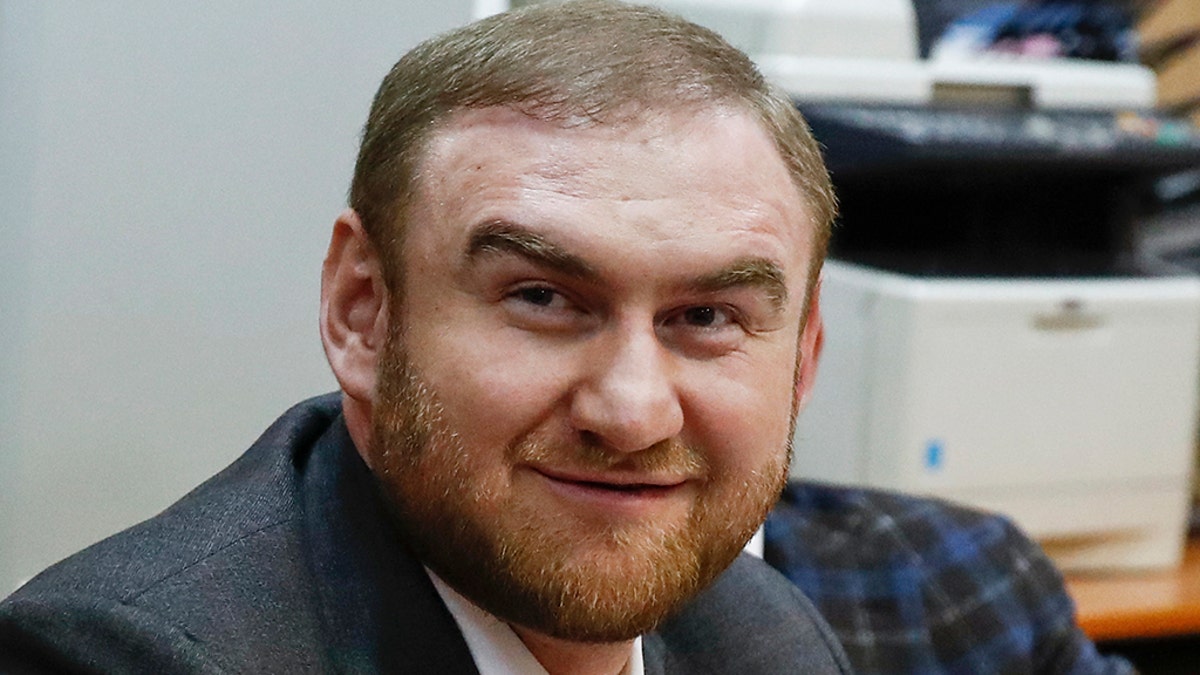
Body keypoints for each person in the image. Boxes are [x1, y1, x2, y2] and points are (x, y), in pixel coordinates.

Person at [0, 1, 849, 672]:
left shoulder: (762, 633)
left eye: (706, 317)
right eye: (544, 298)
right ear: (362, 311)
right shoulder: (128, 657)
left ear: (803, 360)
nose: (631, 412)